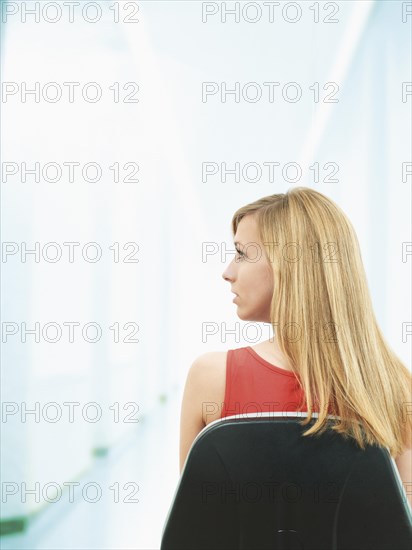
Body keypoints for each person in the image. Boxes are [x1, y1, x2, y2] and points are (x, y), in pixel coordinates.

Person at [179, 187, 412, 509]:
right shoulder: (393, 385)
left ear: (288, 266)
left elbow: (194, 525)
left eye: (242, 254)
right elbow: (400, 528)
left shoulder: (212, 377)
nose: (228, 272)